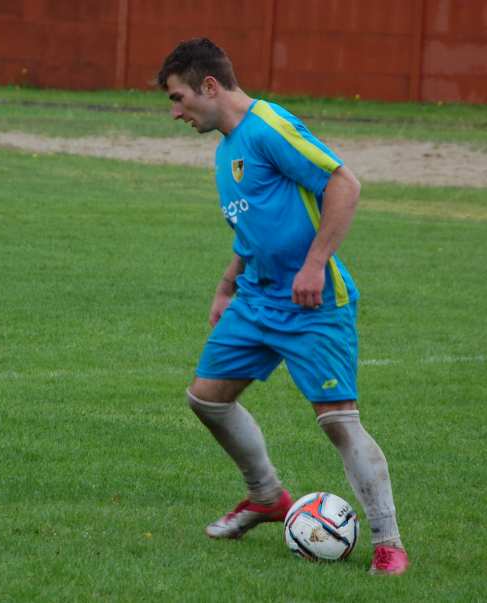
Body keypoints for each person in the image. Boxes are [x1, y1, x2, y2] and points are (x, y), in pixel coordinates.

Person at [157, 38, 409, 575]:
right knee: (207, 399)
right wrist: (227, 284)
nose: (175, 113)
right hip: (257, 298)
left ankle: (388, 543)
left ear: (209, 86)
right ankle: (267, 496)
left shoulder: (268, 126)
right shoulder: (226, 149)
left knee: (337, 421)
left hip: (313, 303)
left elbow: (345, 183)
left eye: (179, 99)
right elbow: (254, 230)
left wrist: (316, 264)